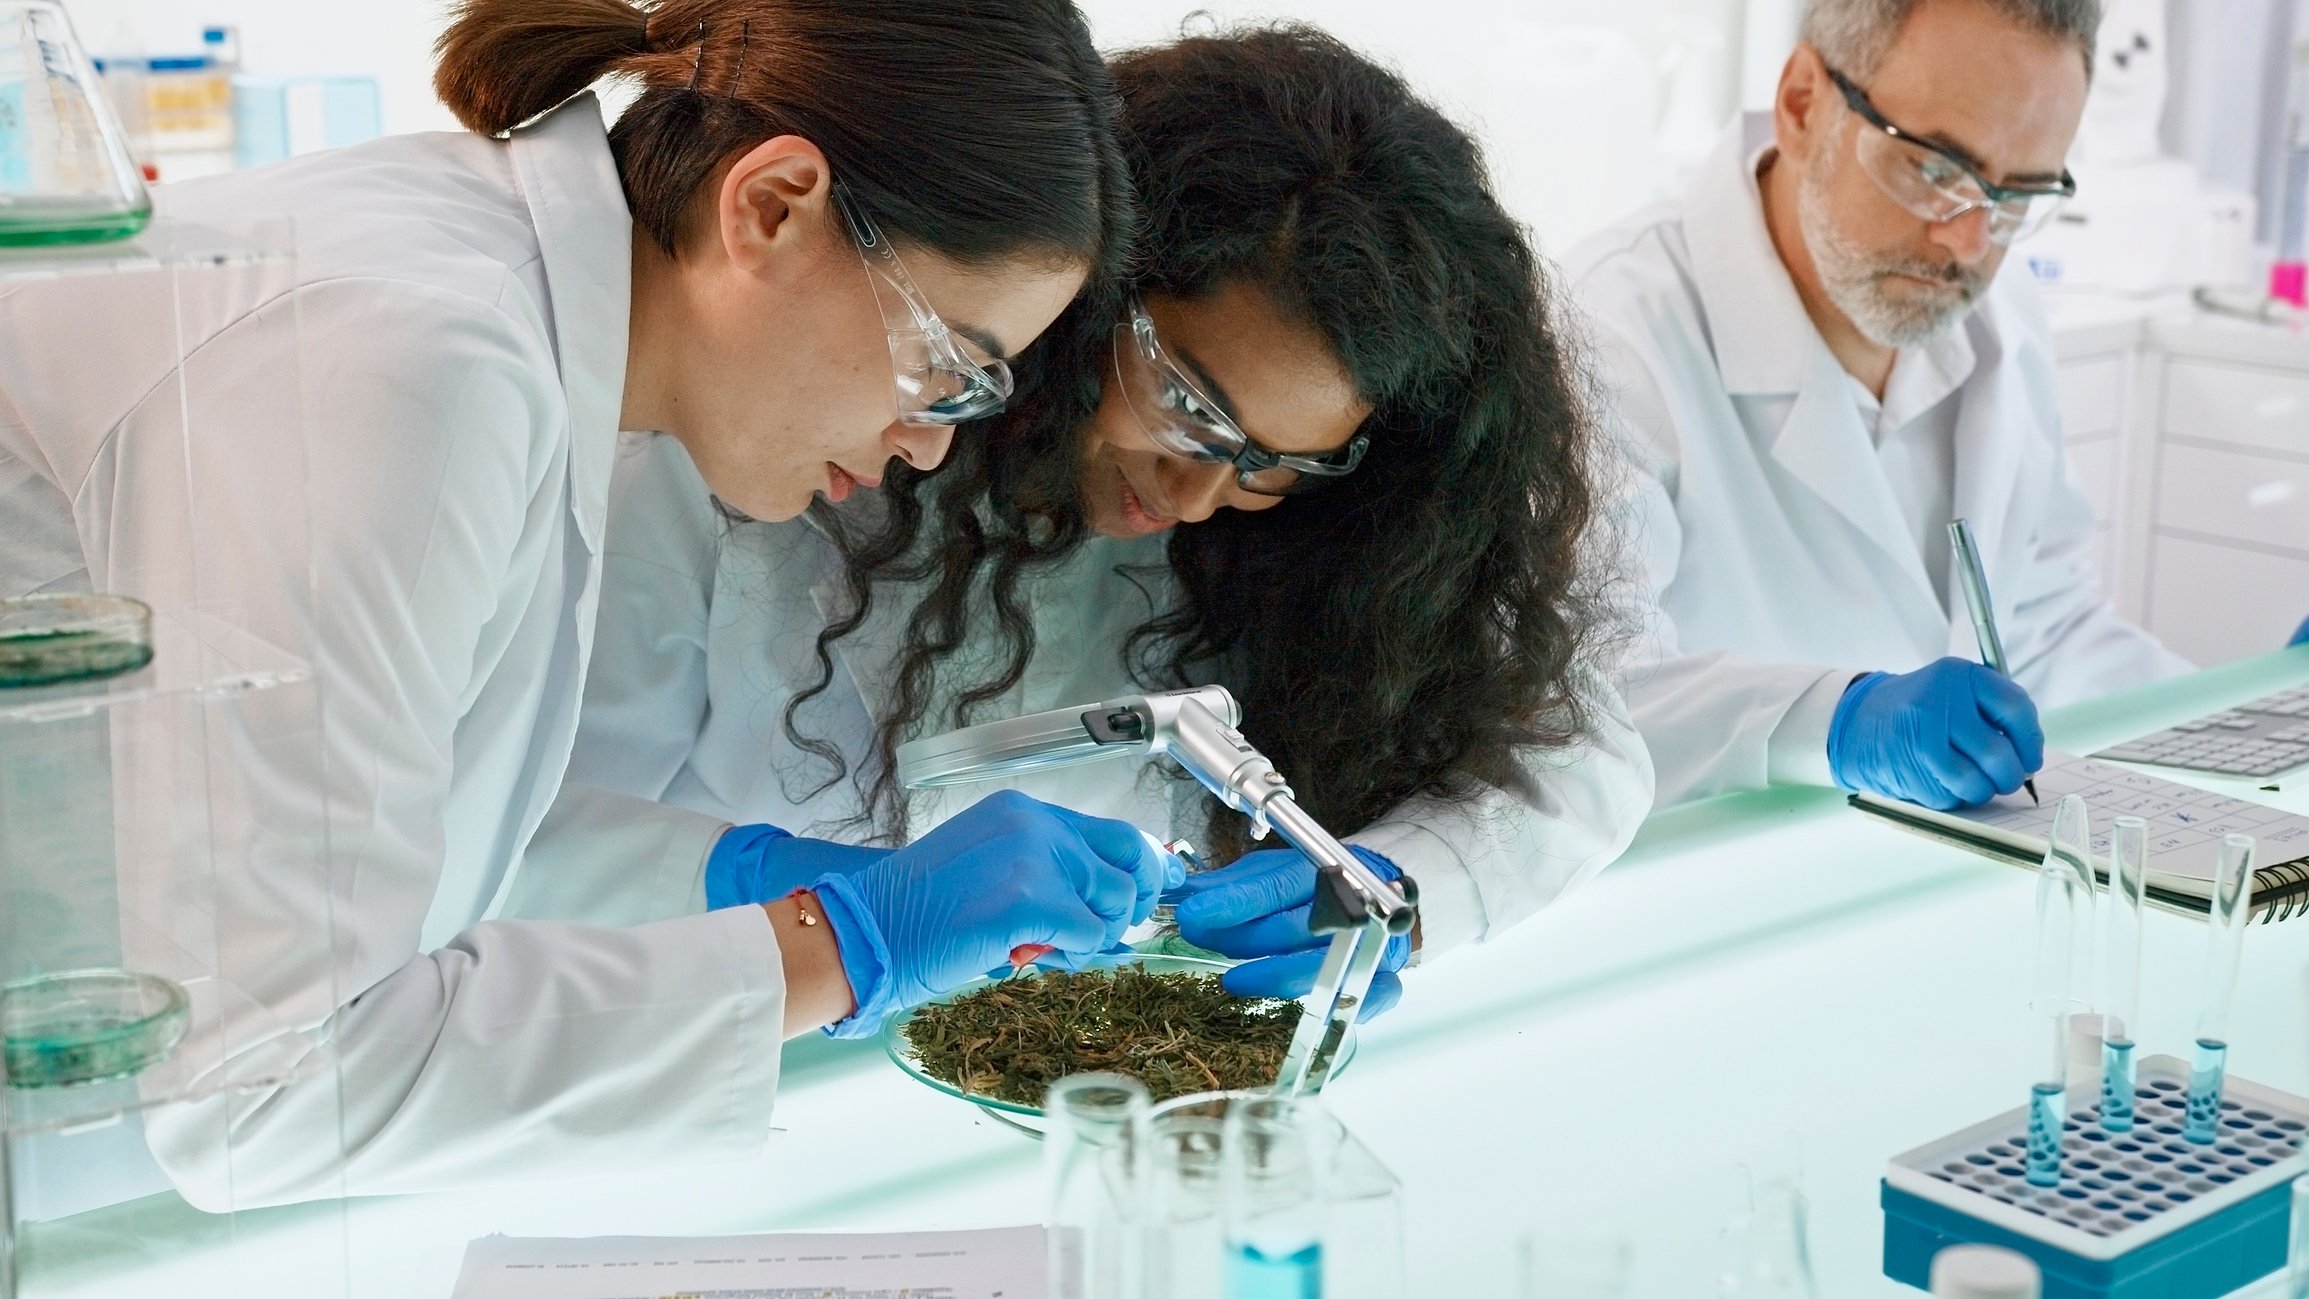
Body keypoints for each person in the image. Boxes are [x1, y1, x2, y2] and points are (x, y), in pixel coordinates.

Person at [0, 0, 1160, 1206]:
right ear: (769, 207)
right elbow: (268, 1094)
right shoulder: (412, 361)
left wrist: (752, 880)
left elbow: (415, 834)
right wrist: (844, 952)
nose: (925, 444)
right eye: (948, 366)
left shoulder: (518, 323)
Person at [547, 25, 1655, 1019]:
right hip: (735, 1045)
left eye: (1275, 462)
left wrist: (1390, 892)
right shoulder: (769, 445)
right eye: (1185, 405)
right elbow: (511, 843)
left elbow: (1579, 758)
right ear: (1086, 294)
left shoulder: (1307, 540)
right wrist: (779, 894)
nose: (1194, 495)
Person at [1566, 0, 2299, 812]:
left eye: (2016, 194)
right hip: (1700, 886)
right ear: (1803, 103)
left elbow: (2045, 630)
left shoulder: (1997, 315)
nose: (1969, 243)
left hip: (1923, 866)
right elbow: (1573, 703)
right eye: (1935, 170)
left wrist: (2249, 712)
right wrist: (1832, 722)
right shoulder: (1606, 338)